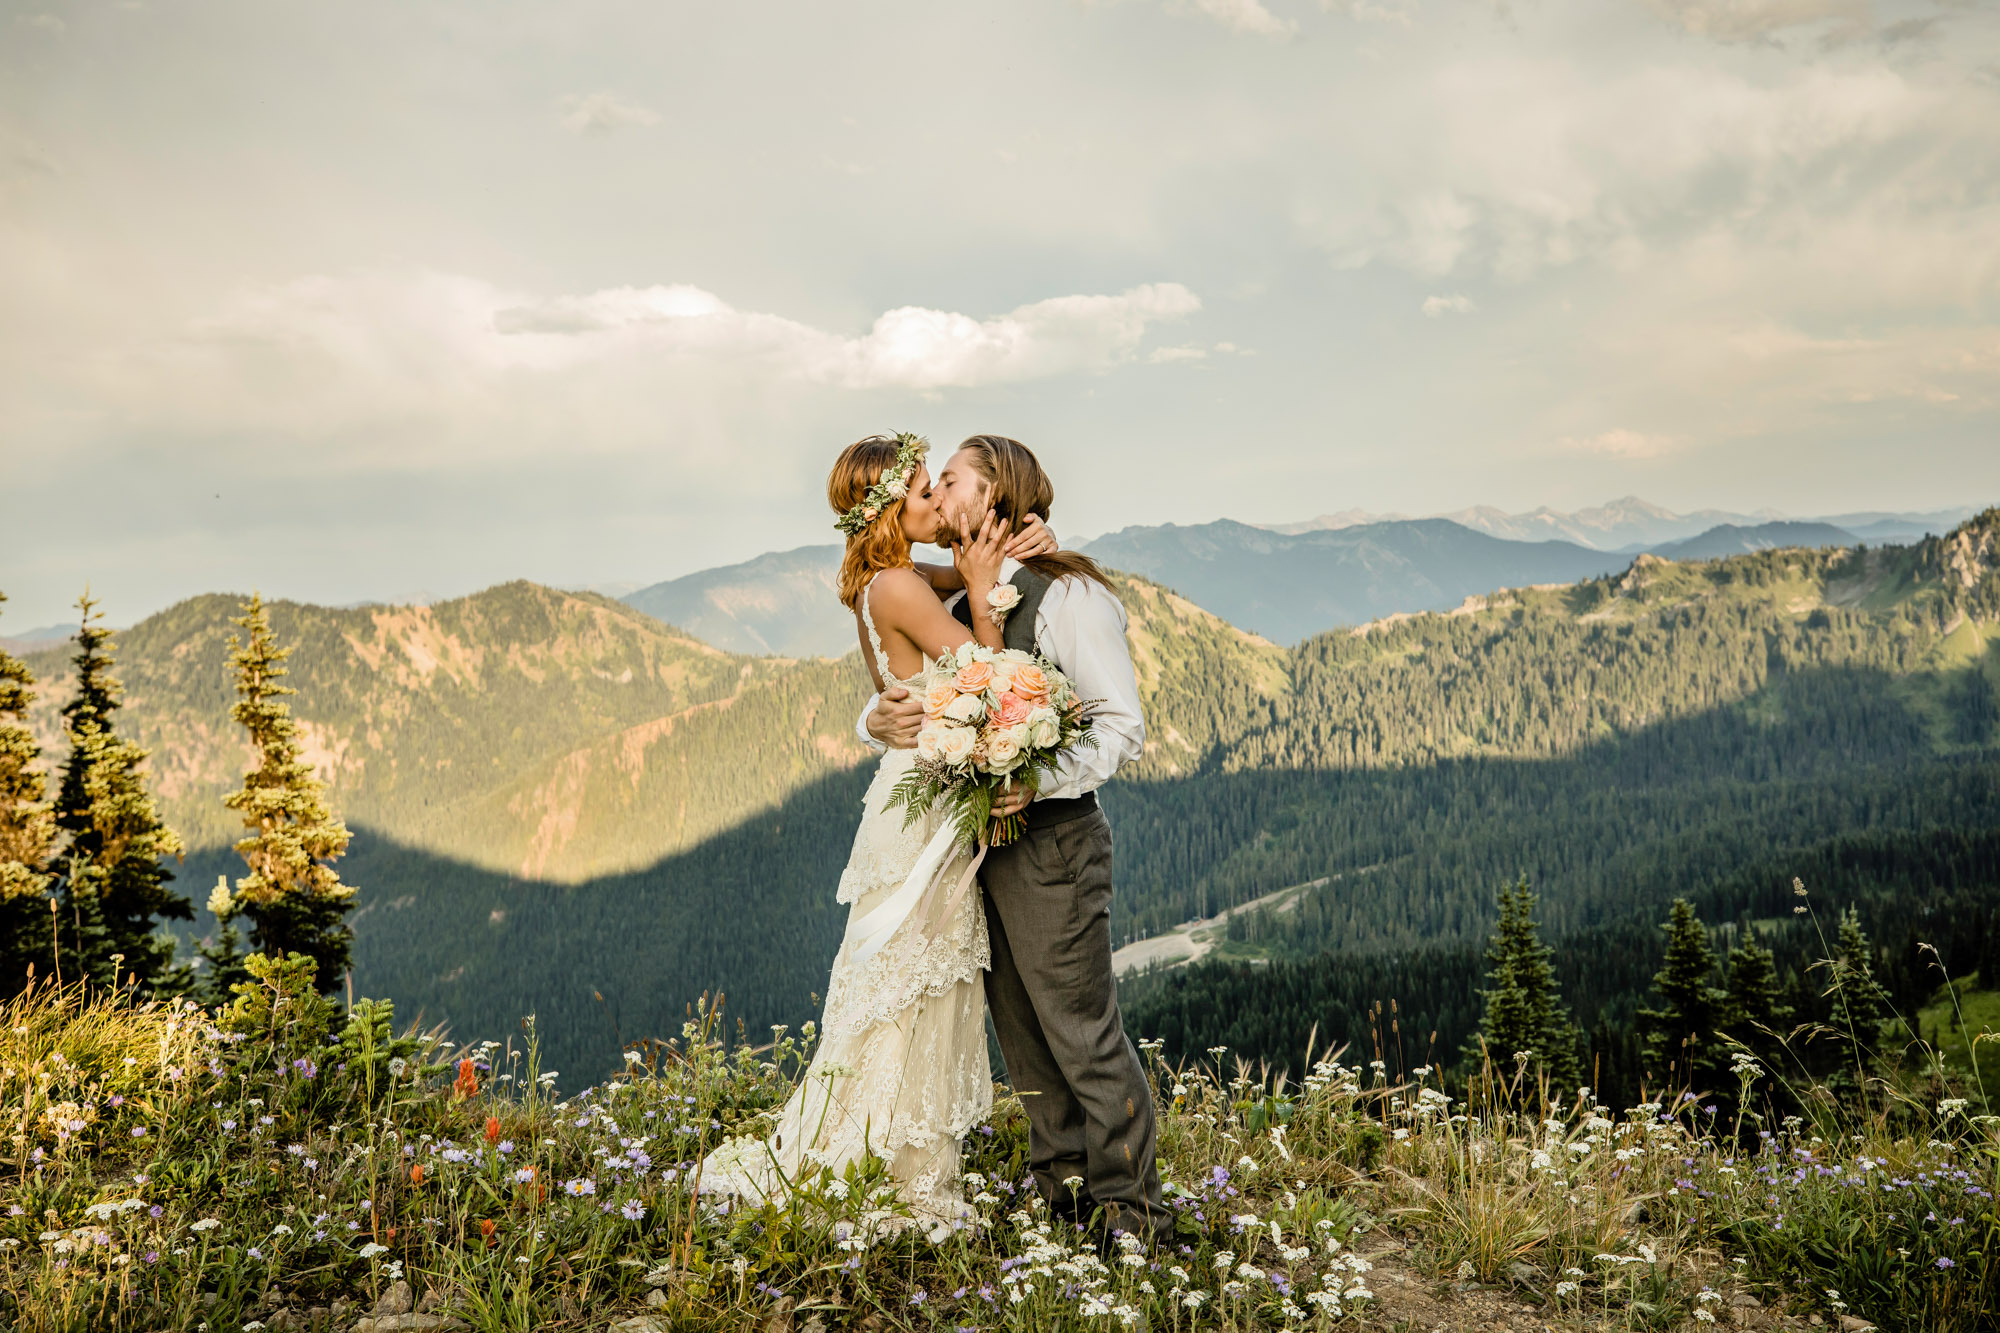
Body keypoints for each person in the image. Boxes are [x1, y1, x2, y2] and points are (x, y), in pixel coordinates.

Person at [699, 432, 1058, 1226]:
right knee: (909, 986)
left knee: (903, 985)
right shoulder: (899, 586)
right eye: (926, 491)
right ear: (894, 507)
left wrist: (1014, 548)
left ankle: (892, 1149)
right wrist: (984, 595)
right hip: (921, 810)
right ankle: (893, 1166)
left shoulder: (885, 577)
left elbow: (968, 573)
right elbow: (986, 679)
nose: (939, 502)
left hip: (909, 793)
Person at [856, 434, 1170, 1245]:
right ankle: (1062, 1196)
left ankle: (1133, 1213)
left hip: (1056, 842)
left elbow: (1121, 726)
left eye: (950, 480)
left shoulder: (1070, 597)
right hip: (976, 851)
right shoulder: (964, 597)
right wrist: (874, 718)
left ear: (994, 494)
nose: (935, 495)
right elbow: (895, 638)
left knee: (1082, 1032)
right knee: (1024, 1039)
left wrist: (1038, 777)